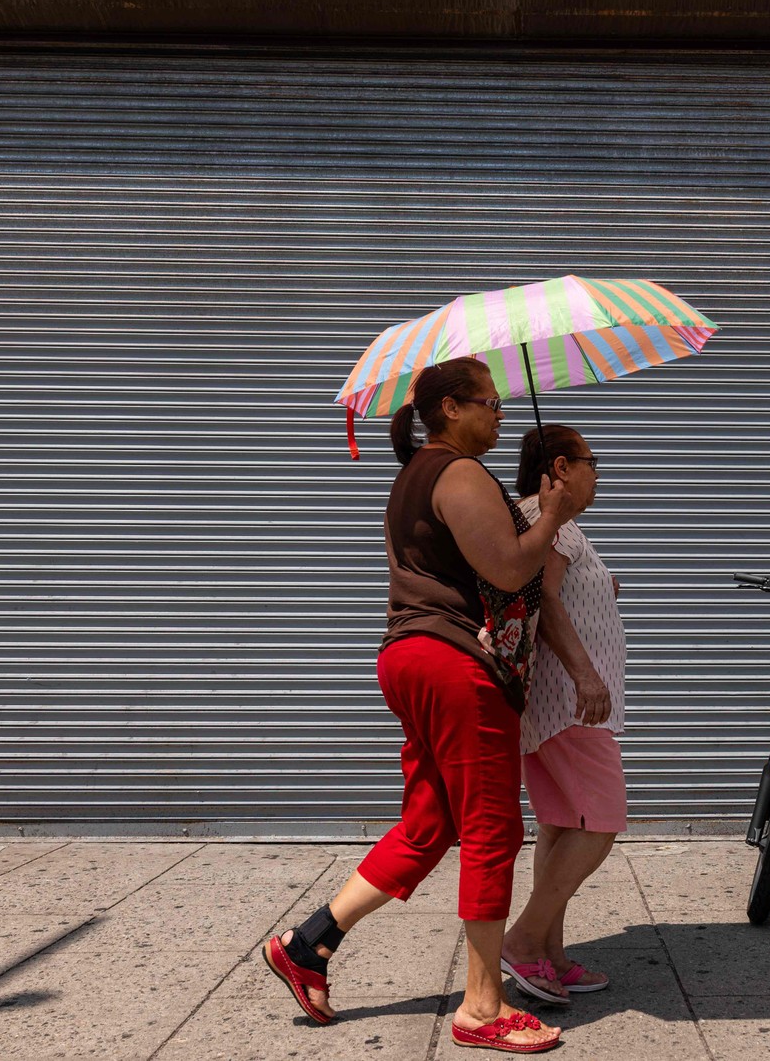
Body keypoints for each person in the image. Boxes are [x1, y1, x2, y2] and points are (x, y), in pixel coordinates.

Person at [262, 358, 576, 1054]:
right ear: (450, 408)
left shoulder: (417, 476)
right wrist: (550, 513)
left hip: (417, 659)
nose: (500, 414)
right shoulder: (457, 473)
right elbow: (507, 565)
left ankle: (307, 943)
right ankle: (482, 1006)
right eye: (490, 403)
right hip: (454, 663)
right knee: (492, 827)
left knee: (430, 822)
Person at [499, 425, 627, 1006]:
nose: (598, 473)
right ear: (562, 467)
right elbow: (544, 597)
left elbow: (556, 590)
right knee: (598, 825)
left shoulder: (534, 517)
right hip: (572, 706)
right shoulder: (549, 521)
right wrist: (585, 674)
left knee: (560, 826)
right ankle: (525, 939)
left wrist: (600, 589)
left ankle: (550, 955)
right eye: (591, 461)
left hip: (548, 706)